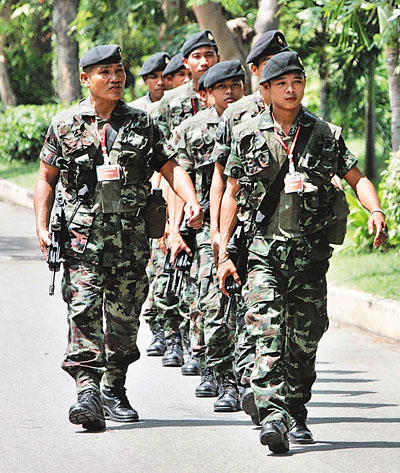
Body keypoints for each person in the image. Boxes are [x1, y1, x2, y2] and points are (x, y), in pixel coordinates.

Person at [217, 51, 387, 453]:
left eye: (297, 81)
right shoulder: (248, 134)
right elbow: (231, 193)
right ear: (266, 89)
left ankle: (295, 410)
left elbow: (357, 178)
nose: (291, 89)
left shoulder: (324, 134)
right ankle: (273, 415)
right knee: (267, 332)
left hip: (309, 258)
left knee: (304, 340)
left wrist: (376, 210)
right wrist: (223, 253)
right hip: (263, 255)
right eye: (282, 83)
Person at [34, 44, 203, 432]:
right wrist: (41, 226)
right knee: (83, 313)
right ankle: (87, 392)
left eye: (119, 71)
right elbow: (46, 178)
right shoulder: (64, 125)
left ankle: (113, 387)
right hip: (80, 242)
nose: (115, 78)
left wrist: (191, 199)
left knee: (124, 323)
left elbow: (170, 166)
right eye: (105, 72)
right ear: (85, 79)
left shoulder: (142, 123)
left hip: (130, 243)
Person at [209, 29, 289, 422]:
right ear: (256, 71)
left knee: (284, 318)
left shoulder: (299, 113)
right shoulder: (236, 115)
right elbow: (221, 179)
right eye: (272, 65)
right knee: (249, 309)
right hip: (246, 230)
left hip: (291, 234)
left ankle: (266, 389)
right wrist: (217, 233)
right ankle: (246, 383)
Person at [171, 61, 246, 411]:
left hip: (252, 226)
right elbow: (177, 180)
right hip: (207, 228)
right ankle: (218, 372)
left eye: (236, 85)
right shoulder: (192, 129)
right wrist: (175, 228)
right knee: (211, 300)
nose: (230, 92)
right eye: (222, 87)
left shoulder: (259, 121)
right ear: (208, 93)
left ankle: (246, 376)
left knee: (250, 306)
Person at [154, 29, 219, 139]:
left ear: (218, 58)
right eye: (197, 56)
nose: (204, 62)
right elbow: (160, 140)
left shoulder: (229, 94)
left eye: (209, 55)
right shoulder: (171, 99)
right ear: (186, 63)